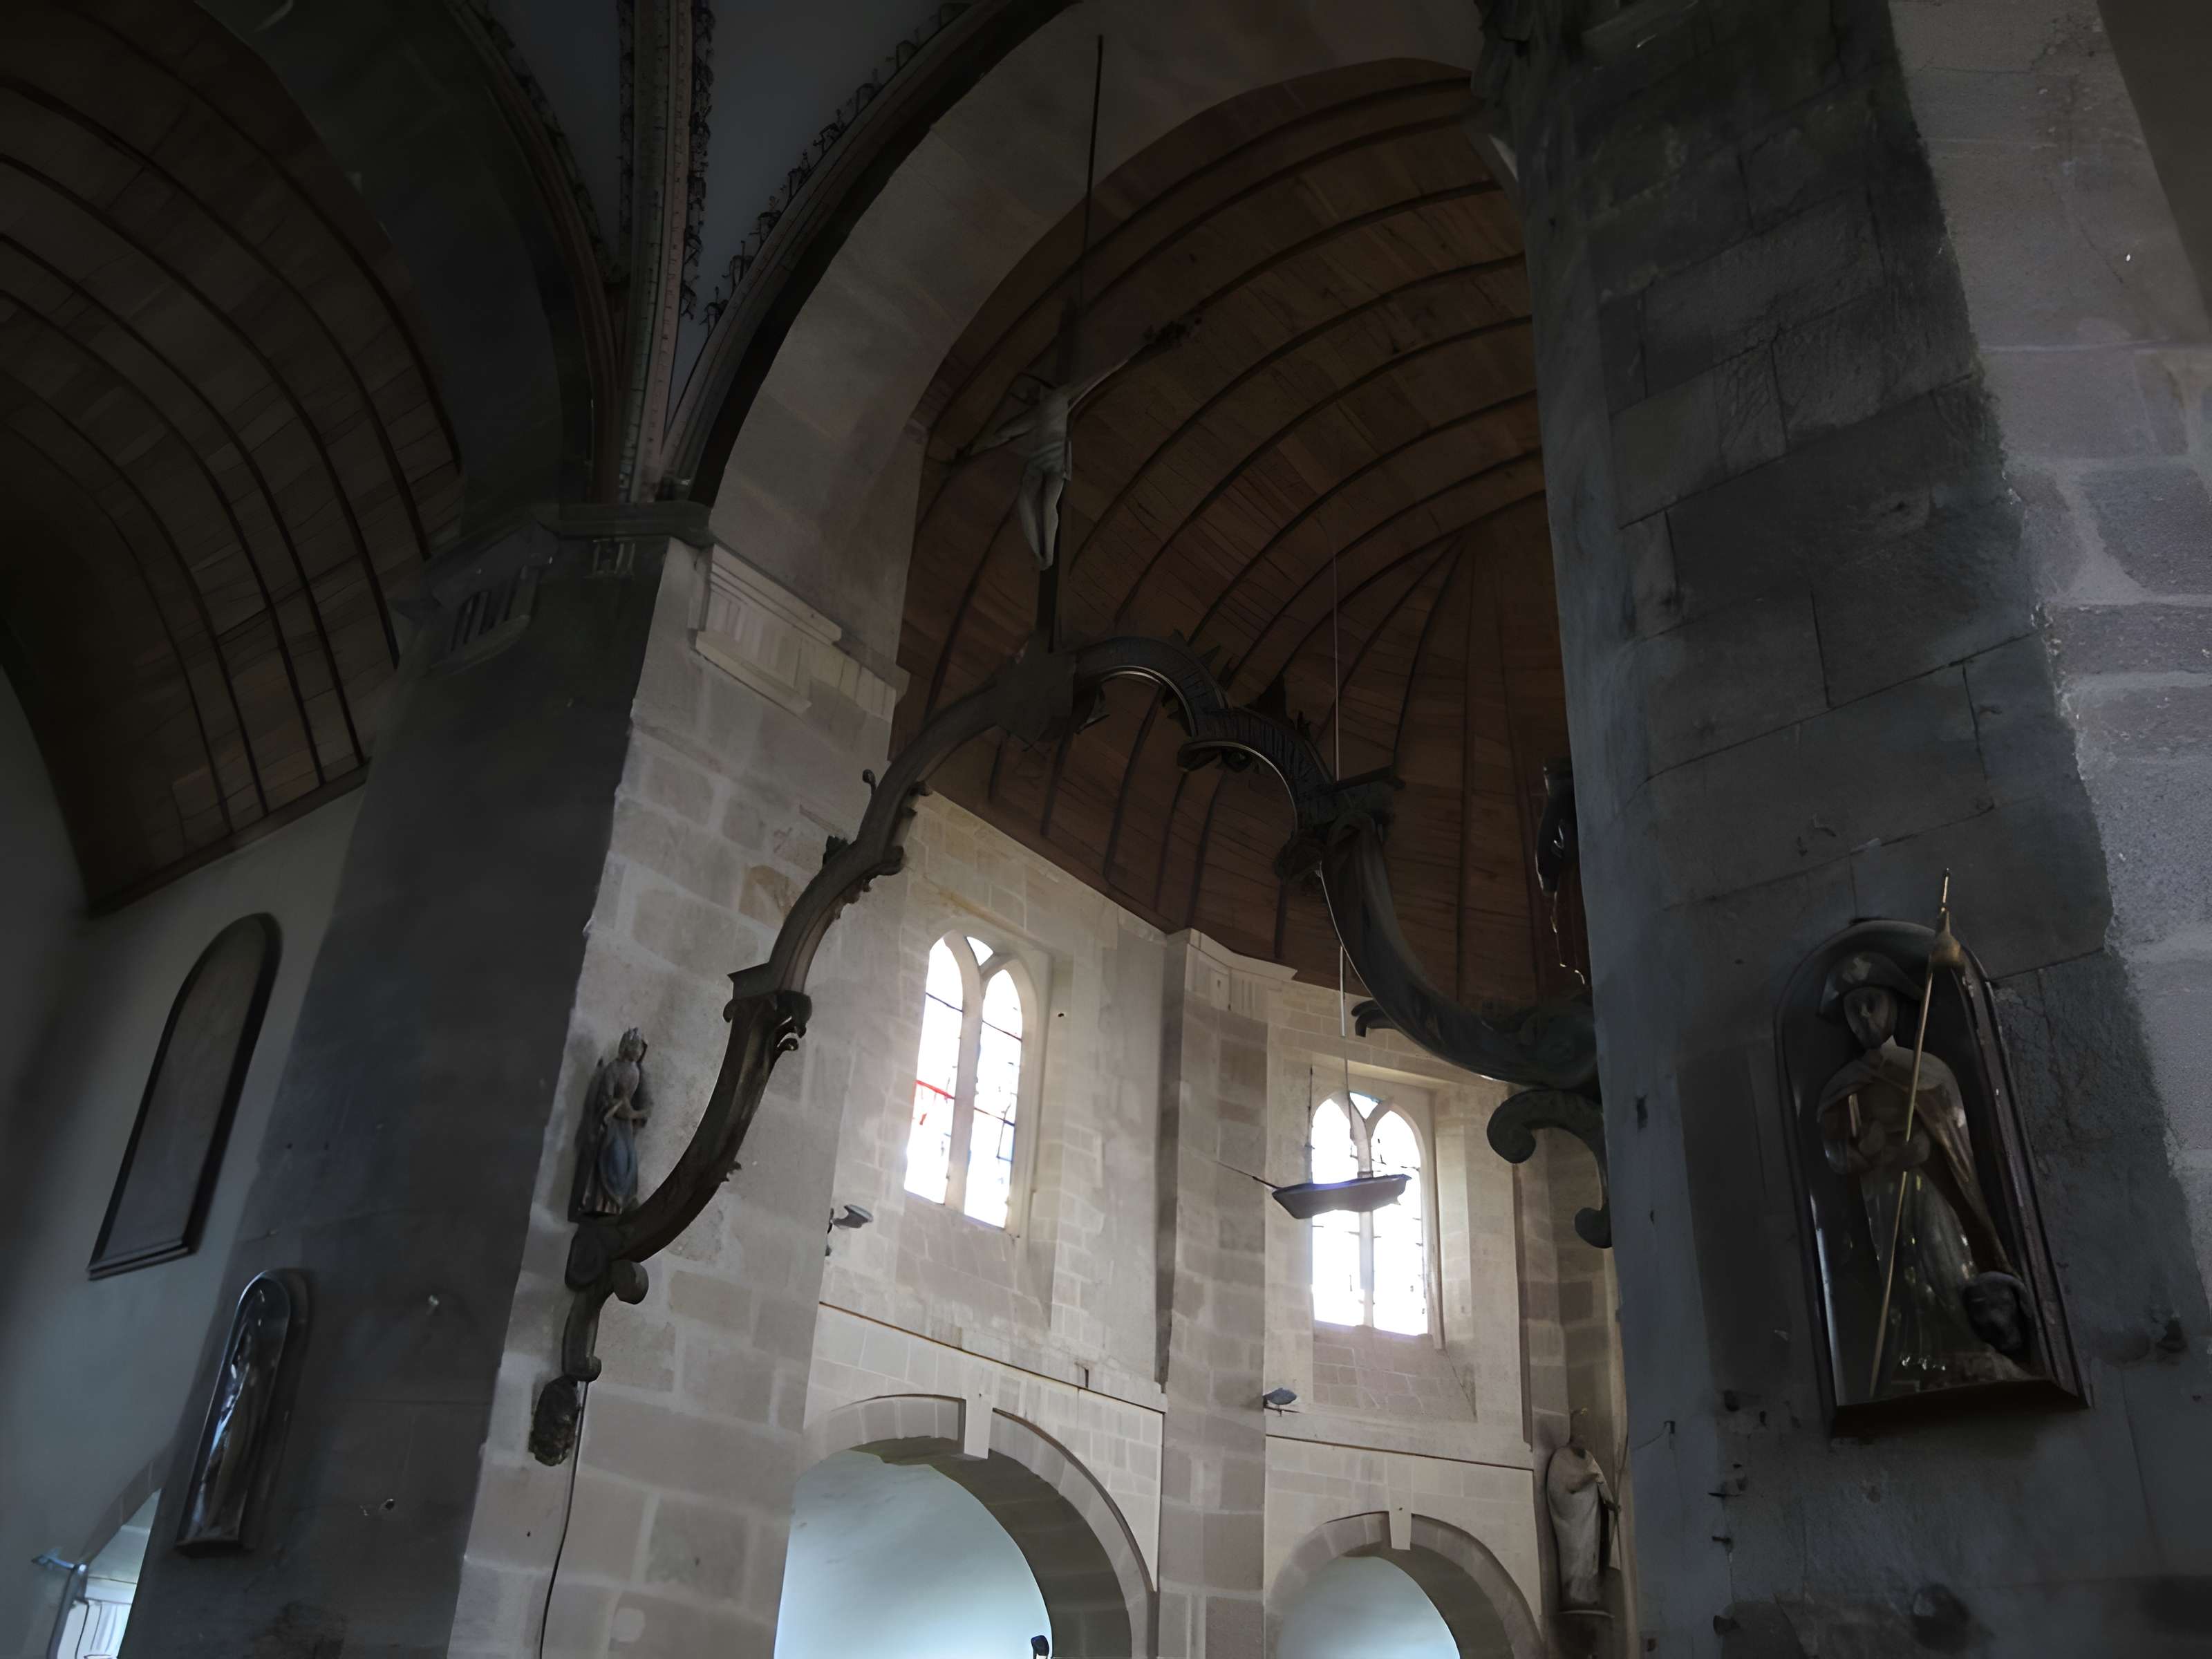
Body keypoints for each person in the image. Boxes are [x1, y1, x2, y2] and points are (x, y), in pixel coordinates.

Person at [1815, 954, 2030, 1394]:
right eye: (1852, 1009)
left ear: (1893, 1005)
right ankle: (1917, 1355)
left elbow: (1954, 1131)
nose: (1862, 1016)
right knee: (1900, 1271)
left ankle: (1969, 1346)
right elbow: (1837, 1155)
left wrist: (1928, 1144)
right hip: (1881, 1194)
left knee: (1942, 1254)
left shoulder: (1927, 1071)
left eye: (1871, 1002)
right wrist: (1862, 1151)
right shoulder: (1843, 1086)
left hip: (1932, 1187)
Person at [959, 317, 1196, 569]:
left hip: (1049, 457)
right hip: (1048, 457)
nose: (1027, 395)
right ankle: (1045, 555)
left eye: (1030, 391)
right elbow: (1002, 435)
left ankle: (1046, 555)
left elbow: (1107, 371)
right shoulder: (1041, 411)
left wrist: (1139, 345)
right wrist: (973, 448)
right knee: (1036, 502)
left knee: (1039, 502)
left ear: (1039, 388)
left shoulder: (1058, 398)